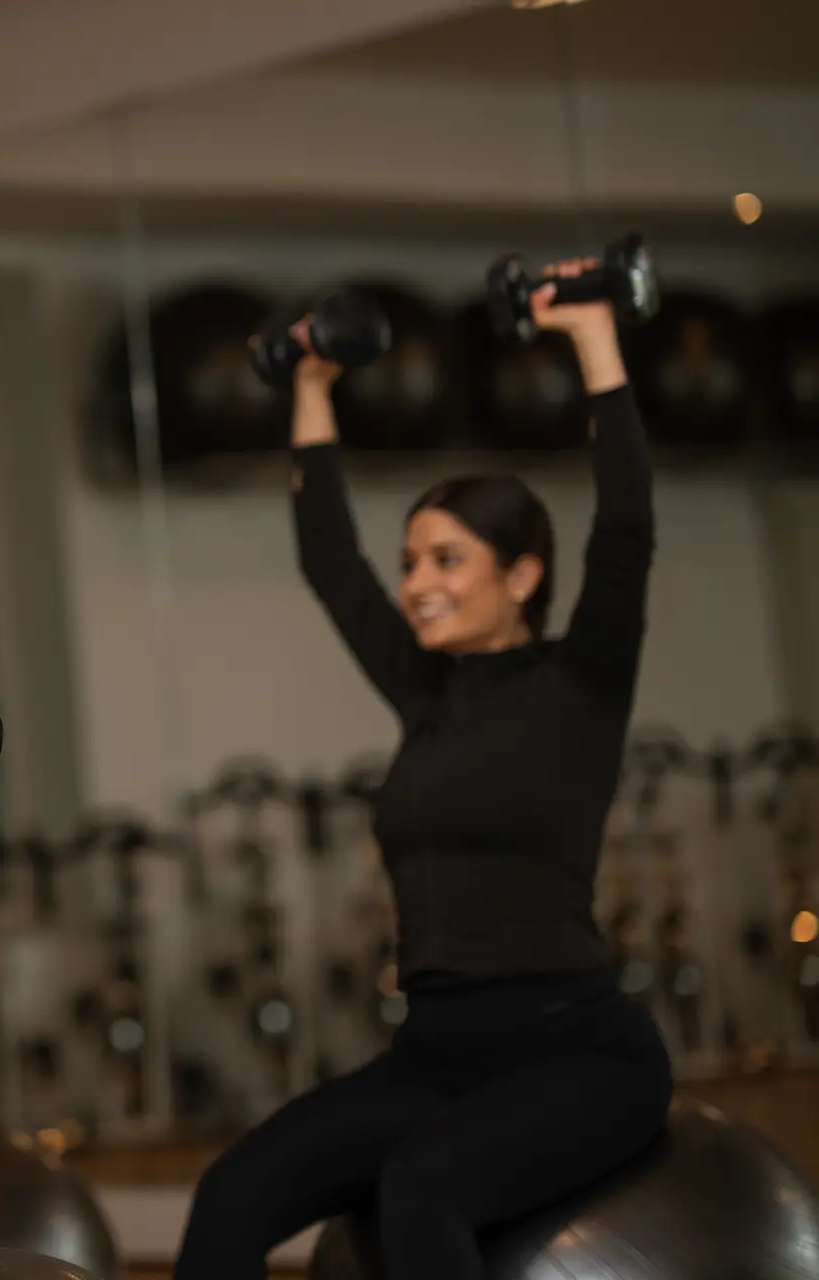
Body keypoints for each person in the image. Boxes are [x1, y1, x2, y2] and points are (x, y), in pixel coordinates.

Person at [170, 261, 674, 1280]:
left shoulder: (582, 680)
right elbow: (330, 561)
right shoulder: (425, 692)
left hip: (576, 1050)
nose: (417, 584)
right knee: (230, 1195)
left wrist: (591, 336)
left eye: (447, 560)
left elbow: (626, 522)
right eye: (412, 561)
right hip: (439, 1050)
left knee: (425, 1187)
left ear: (521, 575)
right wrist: (310, 387)